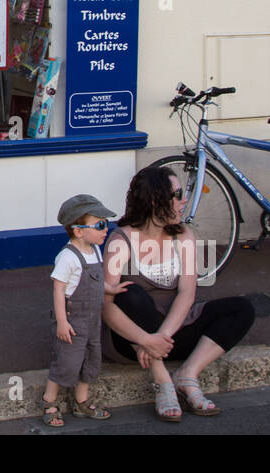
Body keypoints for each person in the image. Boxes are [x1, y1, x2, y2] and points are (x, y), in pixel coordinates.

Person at [102, 164, 255, 422]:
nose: (184, 201)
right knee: (130, 295)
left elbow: (187, 294)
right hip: (131, 340)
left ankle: (187, 375)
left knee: (242, 309)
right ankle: (163, 381)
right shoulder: (121, 241)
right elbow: (105, 305)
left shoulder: (183, 235)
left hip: (170, 335)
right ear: (154, 200)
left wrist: (158, 339)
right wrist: (144, 339)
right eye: (177, 194)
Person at [41, 194, 129, 427]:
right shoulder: (68, 257)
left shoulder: (95, 251)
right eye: (100, 225)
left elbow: (95, 281)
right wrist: (62, 322)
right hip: (73, 319)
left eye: (106, 224)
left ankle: (81, 400)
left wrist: (111, 288)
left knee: (91, 360)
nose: (105, 230)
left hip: (92, 320)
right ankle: (49, 400)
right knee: (66, 362)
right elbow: (59, 290)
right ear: (78, 231)